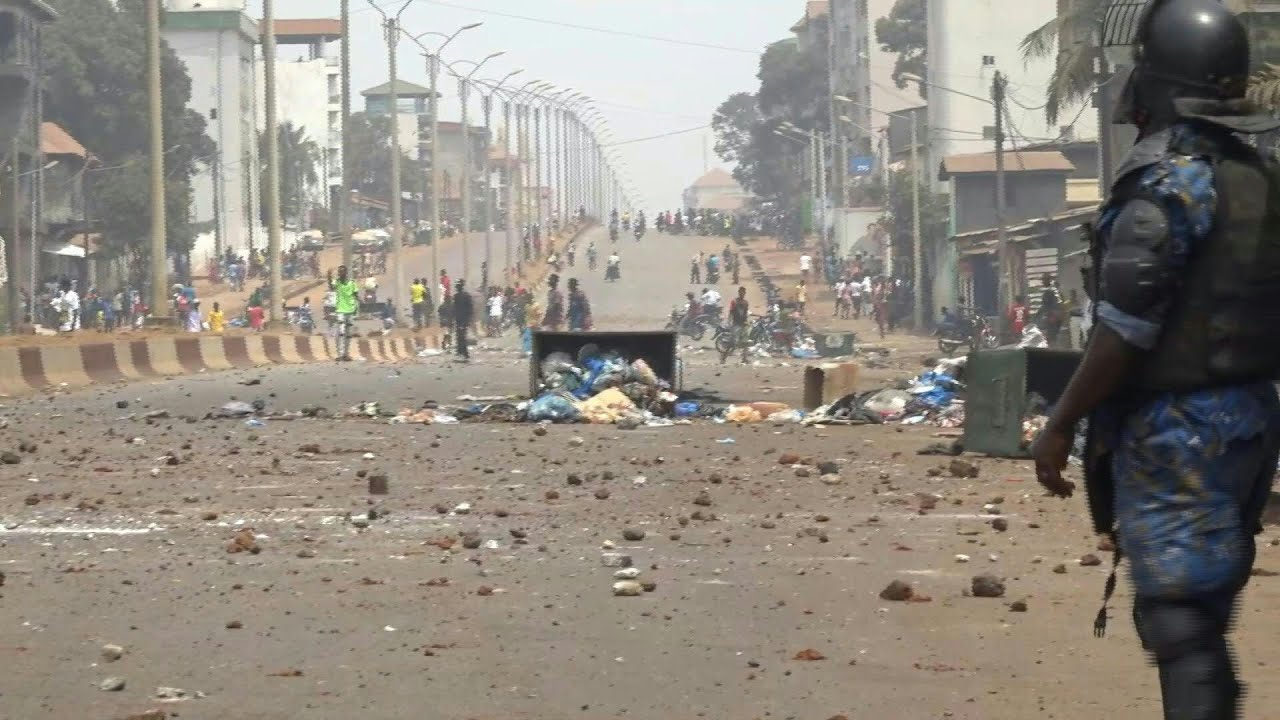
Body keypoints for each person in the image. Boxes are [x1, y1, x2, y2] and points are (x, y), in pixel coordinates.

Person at [1030, 3, 1280, 717]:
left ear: (1157, 82)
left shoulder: (1170, 185)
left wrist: (1060, 421)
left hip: (1181, 430)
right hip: (1249, 421)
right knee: (1199, 608)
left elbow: (1123, 331)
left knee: (1178, 617)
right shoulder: (1257, 176)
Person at [330, 265, 359, 361]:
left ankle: (346, 354)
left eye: (342, 272)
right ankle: (340, 354)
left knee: (348, 334)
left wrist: (357, 306)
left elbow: (356, 295)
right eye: (339, 272)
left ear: (345, 273)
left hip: (350, 310)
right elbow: (331, 287)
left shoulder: (352, 282)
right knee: (341, 332)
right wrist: (328, 277)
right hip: (340, 310)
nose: (340, 273)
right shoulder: (337, 282)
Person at [722, 286, 751, 364]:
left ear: (745, 293)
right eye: (741, 292)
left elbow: (745, 313)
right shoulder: (734, 301)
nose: (742, 293)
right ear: (739, 292)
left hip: (743, 324)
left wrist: (747, 321)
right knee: (732, 342)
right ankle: (723, 357)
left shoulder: (746, 302)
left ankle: (744, 358)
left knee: (745, 342)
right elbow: (731, 312)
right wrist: (729, 321)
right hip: (736, 324)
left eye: (743, 292)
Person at [1037, 272, 1063, 346]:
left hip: (1052, 319)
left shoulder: (1049, 291)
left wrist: (1041, 319)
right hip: (1056, 319)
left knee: (1051, 341)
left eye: (1043, 279)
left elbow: (1045, 307)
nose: (1042, 281)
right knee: (1053, 339)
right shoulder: (1055, 290)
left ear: (1047, 280)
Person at [452, 279, 474, 361]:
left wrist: (467, 319)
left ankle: (463, 353)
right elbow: (455, 309)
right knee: (460, 336)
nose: (457, 288)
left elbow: (470, 309)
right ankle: (461, 352)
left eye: (458, 286)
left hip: (463, 320)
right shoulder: (457, 296)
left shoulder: (464, 296)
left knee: (461, 337)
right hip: (459, 320)